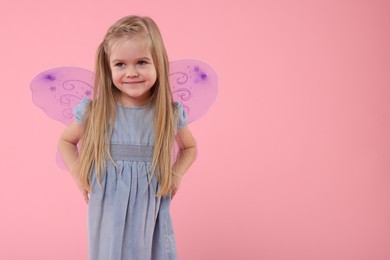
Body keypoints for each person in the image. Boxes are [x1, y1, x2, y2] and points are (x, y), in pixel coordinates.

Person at [58, 15, 197, 260]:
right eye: (120, 64)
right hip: (108, 203)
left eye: (141, 62)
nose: (131, 72)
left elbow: (190, 147)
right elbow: (66, 141)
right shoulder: (97, 111)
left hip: (149, 204)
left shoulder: (167, 113)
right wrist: (79, 172)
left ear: (158, 64)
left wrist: (175, 173)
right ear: (108, 67)